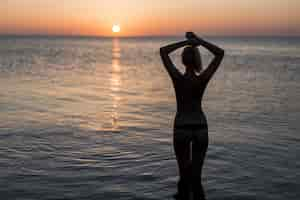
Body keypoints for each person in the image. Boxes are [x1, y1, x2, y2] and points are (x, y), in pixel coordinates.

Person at [160, 32, 224, 200]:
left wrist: (186, 42)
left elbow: (163, 51)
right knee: (197, 179)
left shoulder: (177, 78)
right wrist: (199, 41)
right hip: (200, 127)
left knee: (184, 177)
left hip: (181, 127)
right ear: (196, 61)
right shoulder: (202, 79)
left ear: (182, 60)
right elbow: (220, 53)